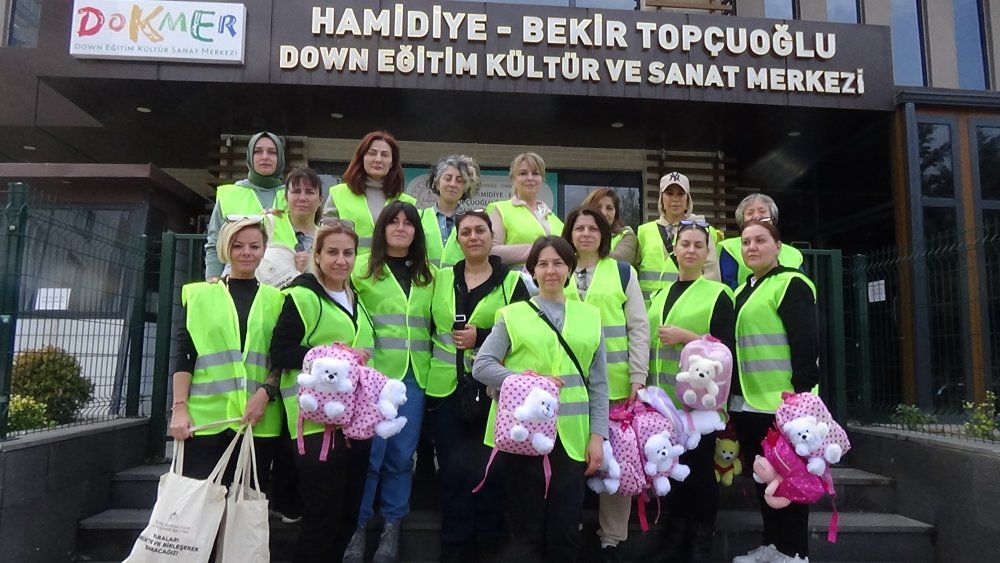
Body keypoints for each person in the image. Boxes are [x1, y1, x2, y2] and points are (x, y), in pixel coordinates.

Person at [473, 236, 609, 563]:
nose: (550, 270)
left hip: (572, 438)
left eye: (558, 263)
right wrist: (530, 383)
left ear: (570, 269)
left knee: (565, 529)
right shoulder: (512, 315)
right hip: (522, 436)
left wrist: (597, 437)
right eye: (543, 264)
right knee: (527, 529)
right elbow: (482, 366)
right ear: (532, 271)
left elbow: (598, 383)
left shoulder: (590, 316)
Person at [424, 209, 530, 562]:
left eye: (480, 230)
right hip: (446, 390)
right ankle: (455, 550)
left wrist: (481, 336)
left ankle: (489, 548)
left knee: (491, 473)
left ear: (491, 237)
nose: (473, 237)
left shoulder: (512, 282)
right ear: (457, 240)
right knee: (452, 473)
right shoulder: (441, 278)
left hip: (492, 395)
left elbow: (524, 333)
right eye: (466, 231)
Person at [269, 219, 376, 563]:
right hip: (314, 424)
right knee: (322, 516)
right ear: (317, 255)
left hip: (355, 423)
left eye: (348, 253)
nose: (341, 260)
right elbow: (281, 352)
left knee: (348, 514)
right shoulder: (301, 297)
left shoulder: (355, 298)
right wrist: (336, 354)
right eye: (332, 252)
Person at [346, 201, 436, 563]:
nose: (401, 227)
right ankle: (356, 528)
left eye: (408, 223)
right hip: (373, 378)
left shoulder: (430, 275)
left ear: (417, 231)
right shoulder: (361, 270)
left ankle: (391, 528)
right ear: (382, 228)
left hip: (415, 376)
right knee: (370, 457)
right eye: (393, 221)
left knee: (400, 457)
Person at [560, 206, 648, 561]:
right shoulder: (556, 269)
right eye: (579, 228)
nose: (585, 234)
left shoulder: (623, 272)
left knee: (615, 463)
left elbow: (638, 328)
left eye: (593, 229)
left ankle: (611, 538)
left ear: (604, 235)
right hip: (567, 384)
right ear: (569, 233)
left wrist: (638, 376)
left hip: (614, 384)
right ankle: (571, 526)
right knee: (570, 459)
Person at [169, 217, 284, 487]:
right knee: (199, 504)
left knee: (246, 505)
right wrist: (179, 408)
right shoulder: (200, 296)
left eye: (254, 246)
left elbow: (280, 358)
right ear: (224, 248)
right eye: (237, 246)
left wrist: (264, 394)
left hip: (258, 420)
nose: (246, 252)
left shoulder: (278, 300)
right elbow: (186, 354)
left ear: (264, 250)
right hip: (206, 420)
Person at [729, 220, 819, 563]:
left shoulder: (791, 284)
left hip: (783, 404)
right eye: (746, 242)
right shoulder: (742, 290)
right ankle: (773, 546)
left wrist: (801, 397)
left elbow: (805, 340)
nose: (751, 247)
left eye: (760, 240)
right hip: (748, 402)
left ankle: (794, 553)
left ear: (778, 247)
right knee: (764, 478)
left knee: (790, 478)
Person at [647, 220, 735, 563]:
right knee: (673, 471)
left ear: (707, 252)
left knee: (699, 474)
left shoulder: (718, 294)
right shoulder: (659, 295)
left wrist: (687, 337)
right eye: (685, 244)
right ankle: (674, 540)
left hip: (700, 406)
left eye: (699, 245)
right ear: (674, 249)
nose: (691, 250)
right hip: (662, 403)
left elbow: (726, 350)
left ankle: (699, 545)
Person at [204, 132, 297, 280]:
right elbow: (214, 242)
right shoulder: (230, 195)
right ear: (249, 157)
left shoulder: (293, 196)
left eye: (272, 152)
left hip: (286, 281)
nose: (265, 157)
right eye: (258, 151)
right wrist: (212, 278)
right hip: (238, 282)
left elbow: (309, 235)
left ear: (280, 158)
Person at [636, 172, 721, 306]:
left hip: (685, 306)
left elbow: (712, 273)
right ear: (661, 199)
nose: (675, 199)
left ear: (688, 199)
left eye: (681, 194)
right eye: (669, 193)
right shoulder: (644, 231)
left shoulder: (702, 230)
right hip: (648, 310)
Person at [323, 131, 416, 254]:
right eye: (372, 153)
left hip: (390, 266)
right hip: (348, 265)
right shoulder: (338, 194)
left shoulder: (407, 202)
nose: (378, 159)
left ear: (392, 162)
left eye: (385, 155)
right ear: (362, 158)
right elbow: (324, 240)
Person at [488, 152, 564, 267]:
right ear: (513, 179)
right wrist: (537, 250)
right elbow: (491, 251)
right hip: (515, 277)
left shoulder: (555, 219)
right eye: (523, 173)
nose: (530, 178)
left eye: (535, 173)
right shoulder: (500, 210)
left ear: (542, 179)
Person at [719, 193, 804, 290]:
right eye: (750, 213)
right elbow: (728, 286)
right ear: (742, 220)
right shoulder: (729, 248)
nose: (757, 217)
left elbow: (802, 285)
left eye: (762, 211)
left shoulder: (794, 254)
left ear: (772, 218)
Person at [420, 154, 482, 268]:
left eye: (460, 181)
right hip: (424, 279)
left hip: (458, 279)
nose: (453, 184)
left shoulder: (472, 223)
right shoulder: (419, 217)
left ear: (465, 187)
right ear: (437, 183)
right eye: (448, 178)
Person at [582, 187, 638, 266]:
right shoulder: (576, 233)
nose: (603, 213)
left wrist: (582, 251)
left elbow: (621, 260)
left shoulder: (626, 235)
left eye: (609, 208)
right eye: (597, 207)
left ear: (615, 213)